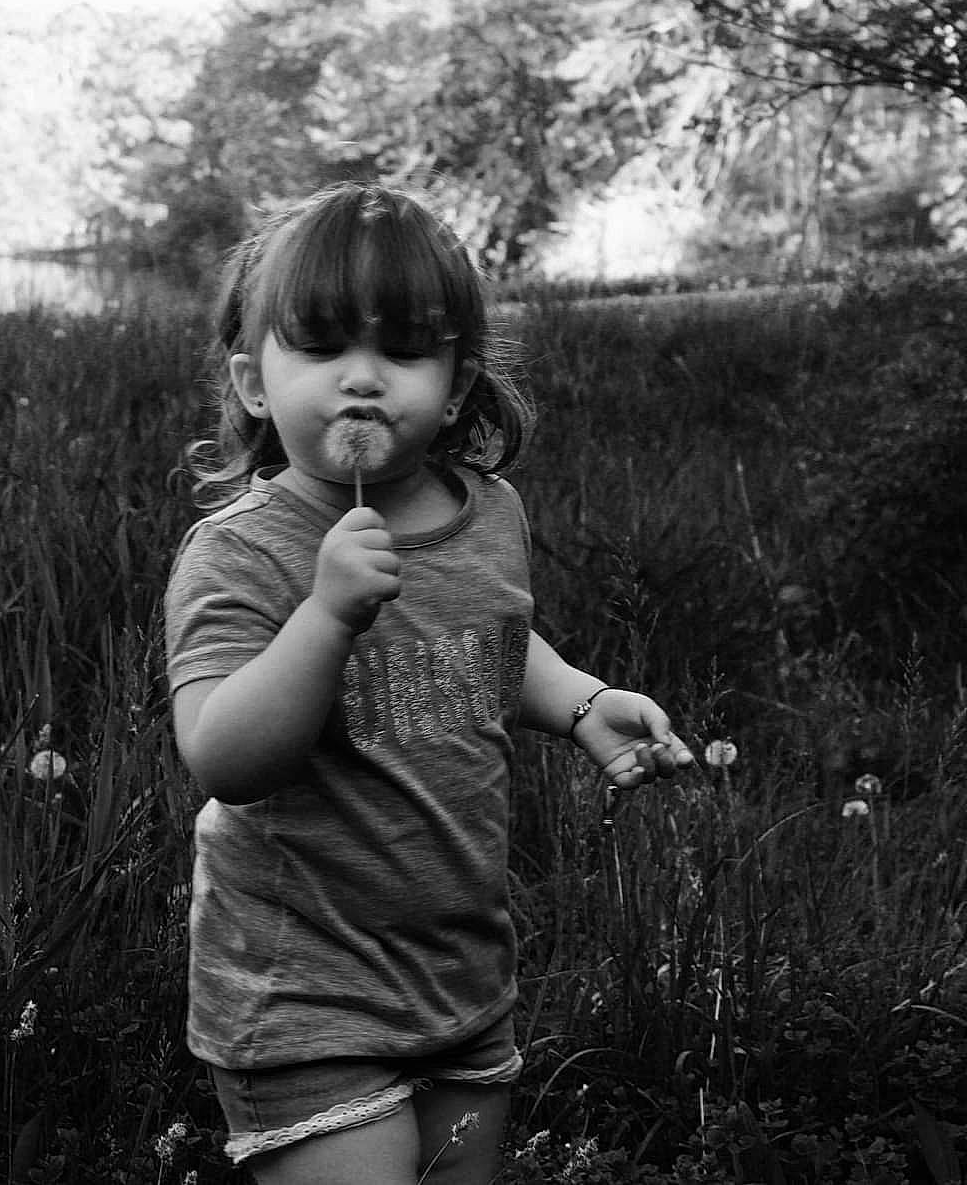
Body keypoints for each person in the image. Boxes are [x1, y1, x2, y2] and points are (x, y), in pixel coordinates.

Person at [162, 180, 695, 1184]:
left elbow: (491, 638)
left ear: (453, 386)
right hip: (303, 990)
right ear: (250, 382)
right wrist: (324, 617)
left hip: (459, 973)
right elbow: (225, 757)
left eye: (403, 351)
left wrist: (578, 700)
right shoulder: (241, 554)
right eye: (320, 348)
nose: (361, 379)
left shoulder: (485, 511)